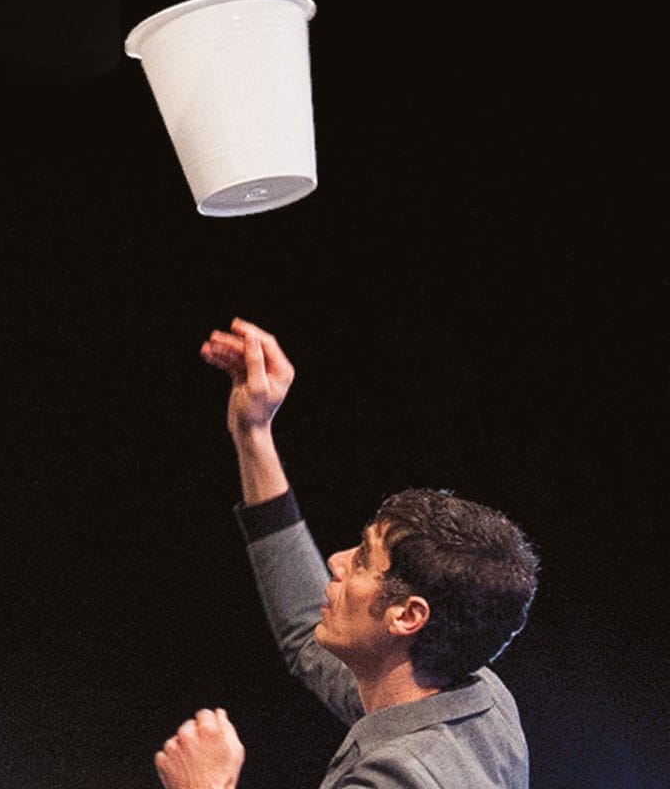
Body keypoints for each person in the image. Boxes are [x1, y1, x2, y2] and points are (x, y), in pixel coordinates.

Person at [179, 318, 537, 789]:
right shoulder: (475, 697)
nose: (337, 560)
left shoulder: (399, 779)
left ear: (408, 616)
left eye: (364, 560)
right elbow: (306, 630)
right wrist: (254, 433)